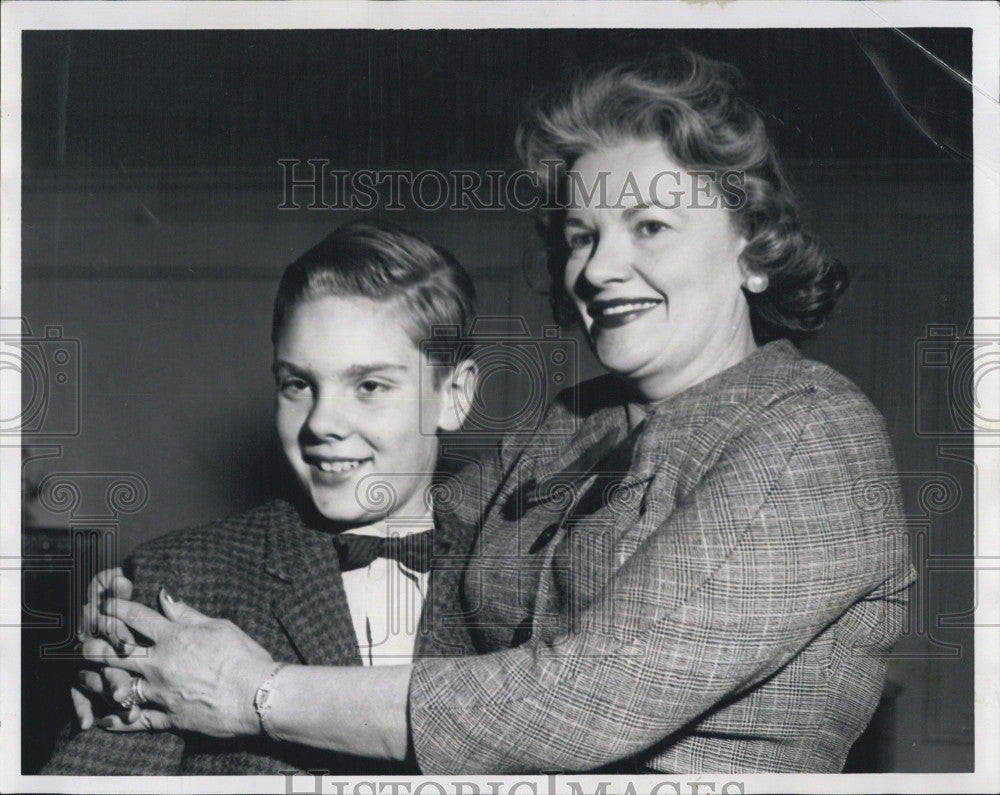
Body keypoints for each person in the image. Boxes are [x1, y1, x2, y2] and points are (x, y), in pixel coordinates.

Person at [72, 48, 914, 773]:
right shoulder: (577, 424)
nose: (597, 268)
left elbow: (589, 694)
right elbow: (401, 520)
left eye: (649, 224)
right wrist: (150, 611)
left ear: (756, 250)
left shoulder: (807, 432)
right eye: (581, 234)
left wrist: (256, 692)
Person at [42, 219, 479, 774]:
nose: (321, 421)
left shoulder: (535, 577)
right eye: (298, 384)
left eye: (369, 386)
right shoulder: (182, 580)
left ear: (454, 395)